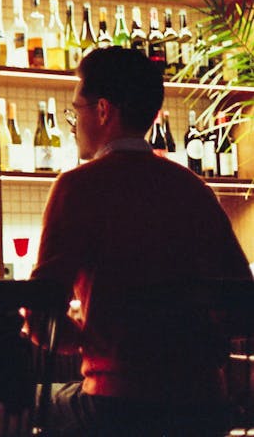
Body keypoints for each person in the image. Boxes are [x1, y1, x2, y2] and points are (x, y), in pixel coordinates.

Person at [29, 46, 252, 436]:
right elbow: (241, 302)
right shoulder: (194, 188)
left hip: (117, 406)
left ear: (102, 110)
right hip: (204, 407)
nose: (73, 123)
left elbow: (41, 312)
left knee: (28, 402)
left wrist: (88, 336)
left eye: (75, 111)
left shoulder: (78, 187)